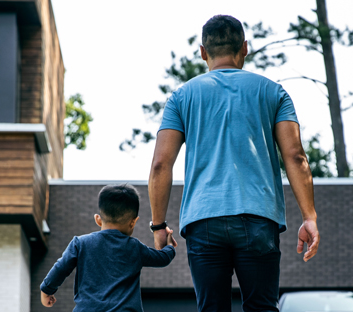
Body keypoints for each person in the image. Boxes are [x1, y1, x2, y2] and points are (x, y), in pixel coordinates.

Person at [147, 14, 320, 312]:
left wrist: (159, 225)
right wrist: (309, 217)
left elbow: (161, 165)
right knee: (262, 308)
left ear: (203, 52)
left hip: (203, 220)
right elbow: (296, 157)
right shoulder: (273, 92)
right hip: (258, 218)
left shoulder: (181, 97)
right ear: (245, 47)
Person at [39, 184, 177, 312]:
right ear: (133, 222)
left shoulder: (80, 243)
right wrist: (169, 245)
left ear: (98, 219)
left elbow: (60, 268)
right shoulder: (135, 247)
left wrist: (47, 290)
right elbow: (162, 258)